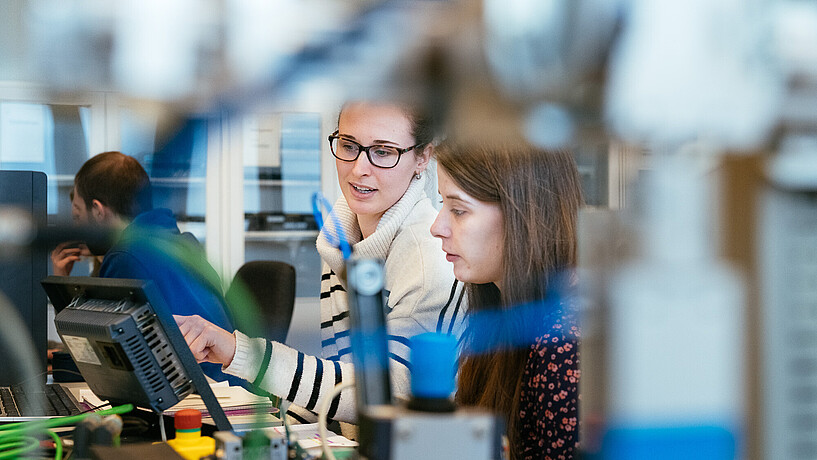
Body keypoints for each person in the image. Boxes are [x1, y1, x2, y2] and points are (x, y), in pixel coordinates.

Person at [175, 101, 465, 434]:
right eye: (349, 145)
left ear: (423, 157)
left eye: (383, 152)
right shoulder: (343, 241)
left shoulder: (431, 256)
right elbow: (344, 379)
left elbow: (388, 394)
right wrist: (278, 434)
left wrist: (242, 353)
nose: (359, 169)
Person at [430, 141, 583, 460]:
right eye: (443, 204)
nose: (437, 227)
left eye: (458, 210)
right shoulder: (507, 313)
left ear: (523, 214)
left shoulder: (563, 346)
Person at [53, 151, 240, 385]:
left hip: (200, 402)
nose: (78, 229)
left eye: (78, 216)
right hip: (237, 388)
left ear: (99, 211)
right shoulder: (183, 244)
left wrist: (61, 286)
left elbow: (97, 358)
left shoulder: (125, 256)